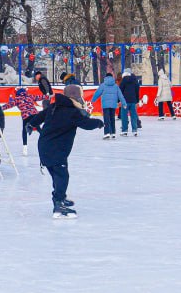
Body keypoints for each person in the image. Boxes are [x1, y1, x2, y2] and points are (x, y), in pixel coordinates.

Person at [24, 82, 103, 218]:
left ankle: (59, 198)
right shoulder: (72, 112)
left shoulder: (55, 107)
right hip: (56, 149)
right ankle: (59, 205)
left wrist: (31, 124)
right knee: (62, 176)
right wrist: (99, 123)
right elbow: (86, 124)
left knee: (57, 174)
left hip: (45, 146)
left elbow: (41, 115)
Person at [91, 72, 128, 139]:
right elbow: (120, 95)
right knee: (112, 119)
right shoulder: (116, 86)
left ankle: (107, 133)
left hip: (105, 105)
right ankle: (113, 133)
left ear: (106, 77)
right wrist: (124, 103)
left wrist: (93, 100)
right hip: (113, 104)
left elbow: (97, 93)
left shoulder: (103, 85)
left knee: (106, 119)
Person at [10, 86, 42, 155]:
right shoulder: (29, 96)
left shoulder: (17, 99)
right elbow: (39, 97)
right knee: (38, 128)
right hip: (34, 114)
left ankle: (25, 147)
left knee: (24, 130)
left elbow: (8, 105)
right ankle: (47, 138)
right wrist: (49, 96)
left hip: (26, 116)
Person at [118, 70, 142, 136]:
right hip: (133, 101)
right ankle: (135, 130)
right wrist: (137, 101)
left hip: (125, 101)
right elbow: (137, 91)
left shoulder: (123, 80)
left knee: (124, 116)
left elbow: (120, 91)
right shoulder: (135, 81)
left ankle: (124, 131)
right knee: (134, 116)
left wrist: (119, 100)